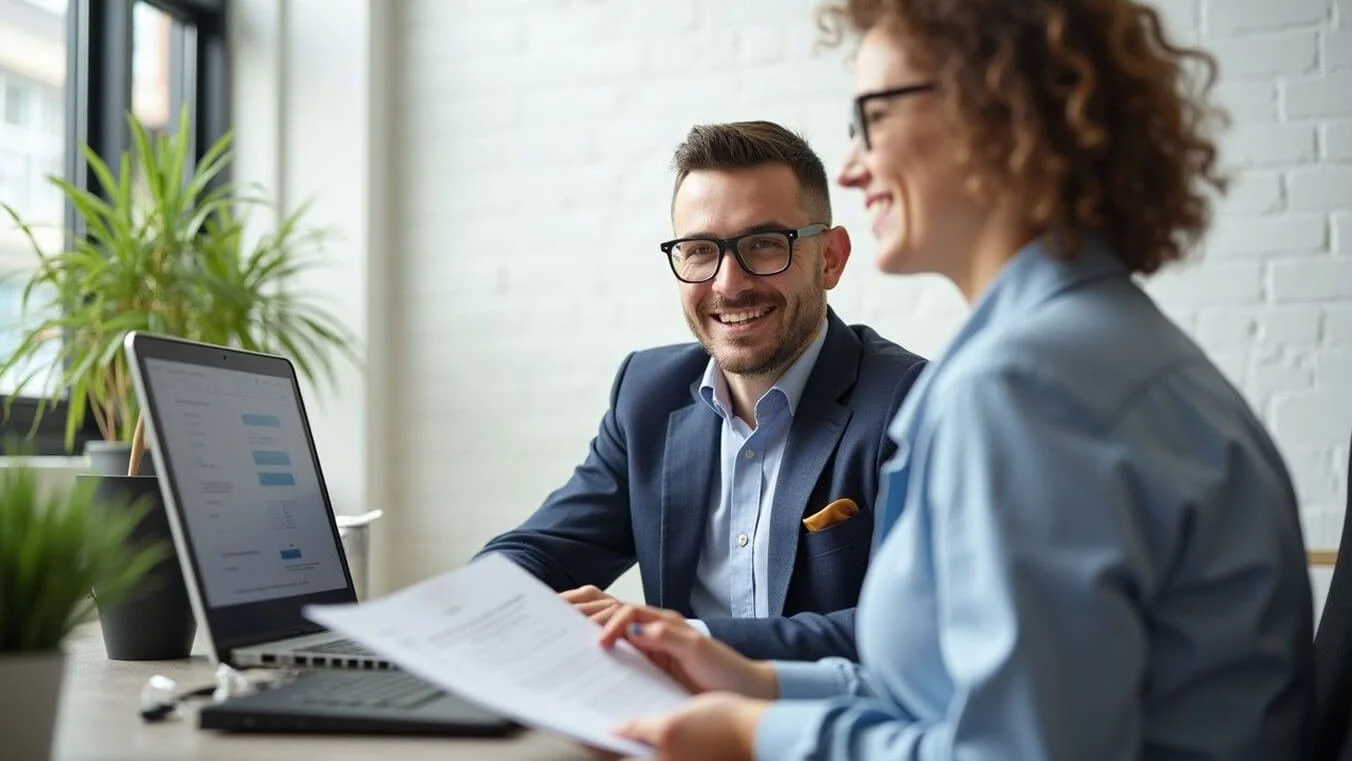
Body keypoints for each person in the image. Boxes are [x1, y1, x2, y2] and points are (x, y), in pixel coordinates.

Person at [593, 2, 1316, 759]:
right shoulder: (1103, 347)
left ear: (995, 116)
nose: (850, 164)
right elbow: (964, 696)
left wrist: (754, 735)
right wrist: (762, 684)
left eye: (872, 117)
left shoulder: (1022, 391)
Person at [475, 120, 929, 662]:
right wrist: (471, 609)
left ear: (829, 258)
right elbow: (539, 551)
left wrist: (693, 641)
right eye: (698, 251)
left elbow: (913, 625)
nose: (728, 284)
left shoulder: (912, 404)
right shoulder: (647, 396)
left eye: (764, 245)